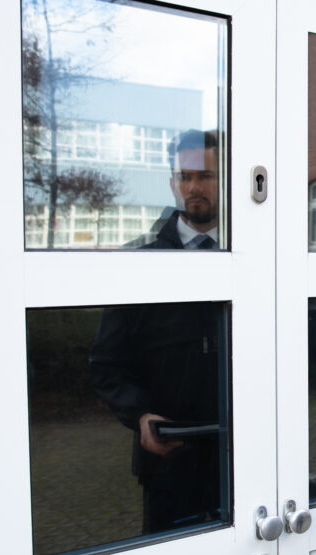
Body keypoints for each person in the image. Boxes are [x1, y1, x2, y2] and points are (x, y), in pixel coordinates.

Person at [89, 129, 226, 533]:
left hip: (242, 455)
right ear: (172, 183)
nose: (194, 186)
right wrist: (139, 414)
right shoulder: (139, 263)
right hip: (169, 463)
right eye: (185, 176)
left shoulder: (256, 255)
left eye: (205, 175)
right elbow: (105, 365)